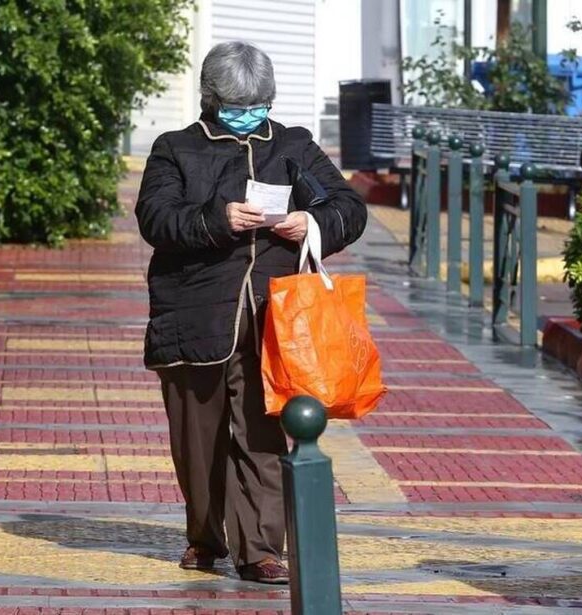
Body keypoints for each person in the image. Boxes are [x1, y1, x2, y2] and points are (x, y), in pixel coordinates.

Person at [134, 41, 367, 584]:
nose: (250, 115)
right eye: (238, 105)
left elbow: (347, 207)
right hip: (194, 314)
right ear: (211, 99)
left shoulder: (293, 146)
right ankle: (205, 536)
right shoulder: (175, 148)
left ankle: (261, 548)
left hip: (274, 317)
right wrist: (220, 220)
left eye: (259, 104)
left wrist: (308, 224)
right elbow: (156, 217)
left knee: (261, 434)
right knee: (197, 439)